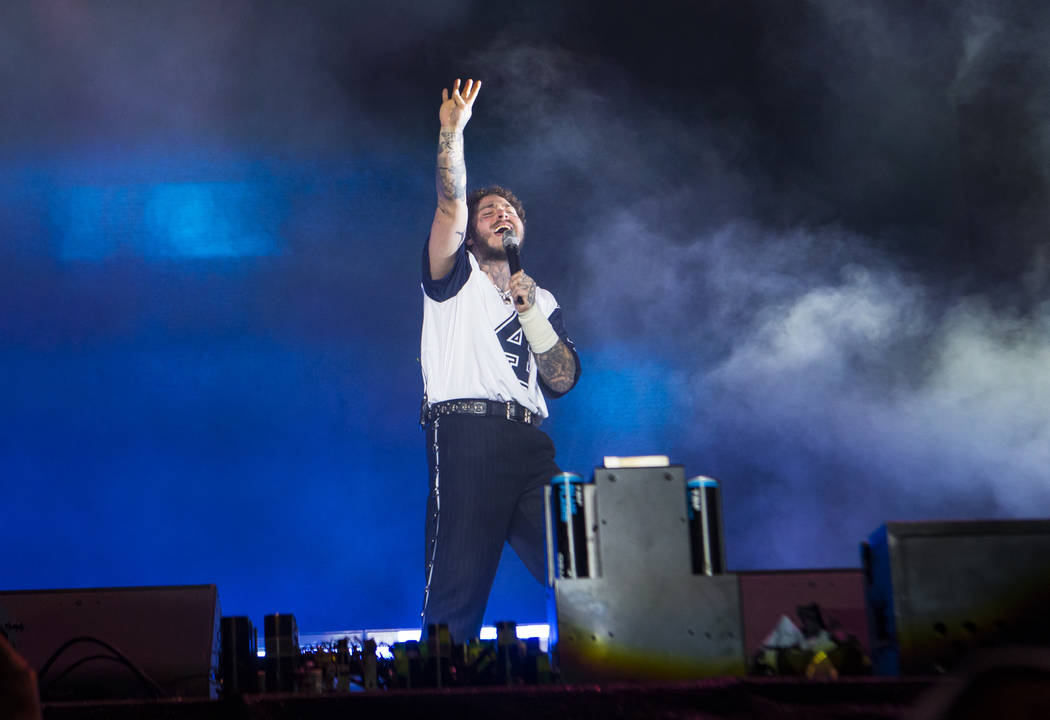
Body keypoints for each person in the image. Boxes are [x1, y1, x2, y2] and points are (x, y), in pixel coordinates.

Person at [418, 78, 581, 643]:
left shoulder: (542, 299)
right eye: (490, 210)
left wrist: (532, 312)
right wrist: (451, 133)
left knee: (582, 562)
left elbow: (560, 379)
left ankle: (614, 679)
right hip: (468, 434)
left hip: (530, 442)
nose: (501, 213)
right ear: (471, 230)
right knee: (457, 590)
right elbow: (449, 202)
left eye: (509, 210)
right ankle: (438, 694)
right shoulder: (453, 277)